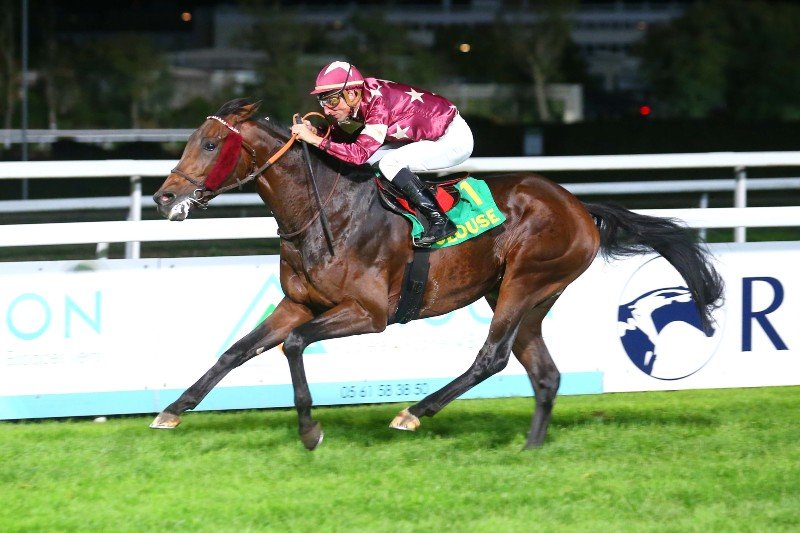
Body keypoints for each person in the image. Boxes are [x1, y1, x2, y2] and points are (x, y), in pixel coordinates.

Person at [291, 60, 474, 246]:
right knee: (373, 161)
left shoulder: (378, 104)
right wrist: (317, 133)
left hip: (453, 139)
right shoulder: (362, 96)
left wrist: (314, 140)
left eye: (332, 101)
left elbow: (358, 154)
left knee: (389, 163)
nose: (326, 110)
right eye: (323, 101)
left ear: (351, 94)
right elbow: (350, 140)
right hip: (432, 134)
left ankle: (440, 220)